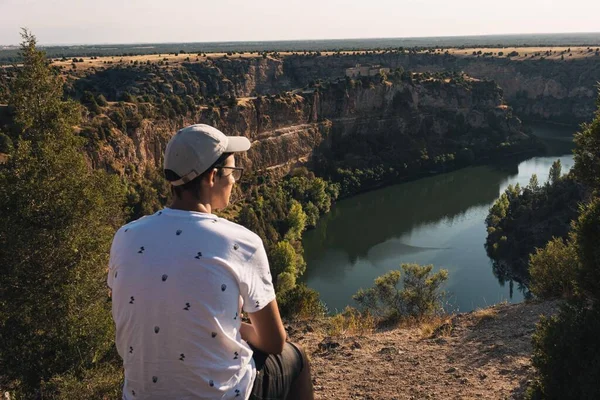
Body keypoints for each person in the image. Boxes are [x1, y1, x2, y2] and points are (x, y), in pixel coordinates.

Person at [108, 124, 314, 400]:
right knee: (296, 357)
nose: (235, 181)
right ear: (213, 177)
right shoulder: (239, 241)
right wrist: (233, 326)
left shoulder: (126, 236)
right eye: (232, 173)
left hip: (139, 395)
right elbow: (275, 342)